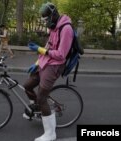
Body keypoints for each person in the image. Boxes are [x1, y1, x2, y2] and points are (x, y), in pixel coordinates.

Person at [23, 2, 74, 141]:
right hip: (46, 62)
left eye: (46, 19)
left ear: (53, 15)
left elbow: (61, 55)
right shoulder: (53, 27)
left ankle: (50, 134)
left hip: (56, 65)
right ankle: (39, 109)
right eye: (44, 20)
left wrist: (39, 49)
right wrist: (36, 63)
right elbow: (47, 47)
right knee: (27, 86)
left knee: (41, 97)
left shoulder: (66, 29)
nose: (45, 22)